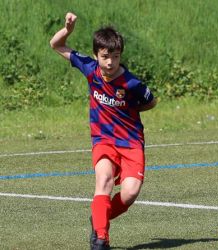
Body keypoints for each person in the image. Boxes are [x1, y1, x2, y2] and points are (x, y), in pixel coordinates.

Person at [50, 12, 157, 249]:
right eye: (105, 56)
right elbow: (56, 45)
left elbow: (151, 102)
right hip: (103, 140)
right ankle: (101, 238)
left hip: (131, 142)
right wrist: (68, 30)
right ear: (97, 55)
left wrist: (131, 110)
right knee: (104, 181)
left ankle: (99, 217)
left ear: (121, 56)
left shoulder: (131, 83)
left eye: (115, 57)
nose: (110, 62)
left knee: (129, 194)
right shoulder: (89, 69)